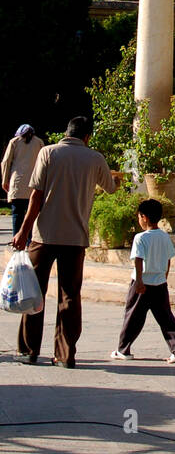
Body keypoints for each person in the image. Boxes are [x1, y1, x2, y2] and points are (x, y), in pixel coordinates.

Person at [12, 116, 117, 368]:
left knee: (34, 293)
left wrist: (22, 232)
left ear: (66, 133)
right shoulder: (95, 158)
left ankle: (29, 350)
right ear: (87, 137)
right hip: (75, 237)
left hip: (43, 236)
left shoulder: (48, 153)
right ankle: (65, 354)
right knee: (70, 296)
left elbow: (35, 196)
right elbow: (111, 188)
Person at [110, 199, 175, 363]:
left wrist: (139, 281)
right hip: (160, 282)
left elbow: (138, 260)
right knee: (165, 316)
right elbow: (169, 259)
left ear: (144, 217)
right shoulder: (164, 236)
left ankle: (123, 349)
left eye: (139, 216)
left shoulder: (140, 238)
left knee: (133, 316)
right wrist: (164, 276)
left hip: (142, 283)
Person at [2, 124, 44, 241]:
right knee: (32, 215)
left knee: (17, 214)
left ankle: (17, 242)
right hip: (34, 184)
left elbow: (6, 162)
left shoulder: (14, 142)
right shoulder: (39, 142)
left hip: (18, 184)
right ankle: (30, 242)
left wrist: (5, 181)